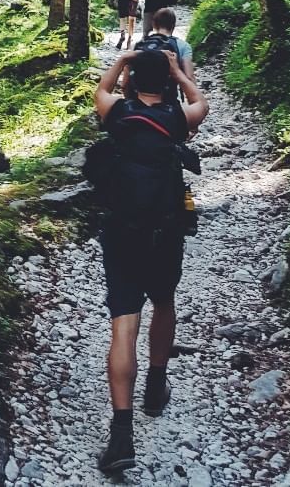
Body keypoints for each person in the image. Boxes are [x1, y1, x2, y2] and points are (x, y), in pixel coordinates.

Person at [93, 48, 209, 473]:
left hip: (122, 232)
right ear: (166, 83)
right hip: (166, 232)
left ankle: (122, 434)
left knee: (124, 322)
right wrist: (180, 73)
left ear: (132, 80)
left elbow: (100, 89)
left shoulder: (117, 114)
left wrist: (123, 60)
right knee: (163, 301)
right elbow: (202, 103)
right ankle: (156, 388)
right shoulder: (179, 120)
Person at [122, 7, 195, 103]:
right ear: (173, 25)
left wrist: (129, 101)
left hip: (139, 101)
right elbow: (189, 77)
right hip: (169, 102)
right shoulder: (183, 46)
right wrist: (193, 104)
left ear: (154, 25)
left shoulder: (137, 45)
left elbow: (125, 82)